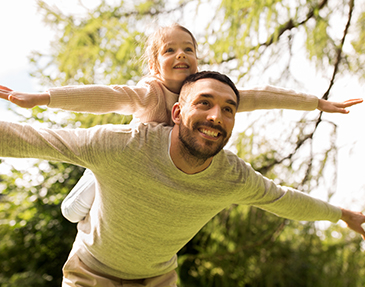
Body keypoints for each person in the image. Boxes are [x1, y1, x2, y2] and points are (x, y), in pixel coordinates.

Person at [0, 71, 364, 287]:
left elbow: (284, 199)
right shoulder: (121, 146)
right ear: (177, 111)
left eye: (228, 109)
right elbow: (32, 138)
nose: (216, 116)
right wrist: (44, 98)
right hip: (92, 275)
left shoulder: (232, 176)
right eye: (204, 103)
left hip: (159, 280)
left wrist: (341, 215)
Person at [0, 24, 362, 225]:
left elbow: (264, 95)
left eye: (188, 48)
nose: (181, 55)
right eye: (170, 50)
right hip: (120, 163)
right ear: (155, 65)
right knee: (72, 210)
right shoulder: (150, 93)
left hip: (162, 173)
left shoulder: (210, 94)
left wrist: (317, 103)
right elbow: (103, 96)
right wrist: (42, 97)